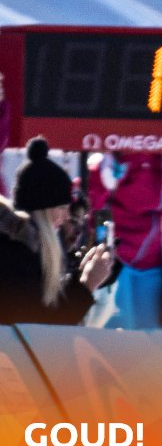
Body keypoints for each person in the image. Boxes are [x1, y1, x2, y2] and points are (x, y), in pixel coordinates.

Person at [90, 73, 162, 329]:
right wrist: (96, 248)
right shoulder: (136, 140)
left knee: (148, 353)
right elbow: (94, 196)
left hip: (155, 265)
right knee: (113, 345)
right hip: (117, 261)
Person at [1, 138, 113, 325]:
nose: (64, 216)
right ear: (43, 208)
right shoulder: (15, 253)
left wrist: (82, 277)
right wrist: (86, 285)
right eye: (61, 208)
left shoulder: (28, 247)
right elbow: (41, 326)